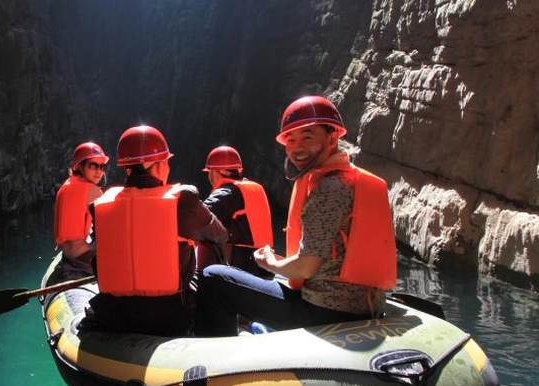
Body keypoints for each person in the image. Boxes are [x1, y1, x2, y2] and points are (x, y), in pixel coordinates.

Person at [195, 96, 397, 335]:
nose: (297, 147)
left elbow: (305, 268)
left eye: (307, 137)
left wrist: (268, 262)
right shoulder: (353, 180)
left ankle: (219, 361)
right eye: (290, 140)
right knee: (272, 281)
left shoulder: (329, 188)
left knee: (213, 277)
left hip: (323, 313)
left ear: (332, 137)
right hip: (363, 305)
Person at [84, 125, 228, 336]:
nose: (168, 167)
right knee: (211, 262)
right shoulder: (182, 200)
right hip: (169, 315)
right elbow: (220, 235)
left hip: (113, 313)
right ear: (158, 165)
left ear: (126, 168)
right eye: (167, 162)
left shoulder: (99, 206)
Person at [199, 145, 274, 278]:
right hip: (265, 267)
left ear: (216, 172)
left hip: (243, 270)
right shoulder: (251, 189)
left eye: (210, 172)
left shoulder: (228, 193)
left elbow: (198, 216)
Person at [49, 141, 108, 283]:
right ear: (80, 167)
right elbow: (110, 226)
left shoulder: (67, 185)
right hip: (81, 257)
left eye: (102, 166)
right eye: (93, 166)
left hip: (68, 254)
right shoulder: (92, 191)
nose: (99, 171)